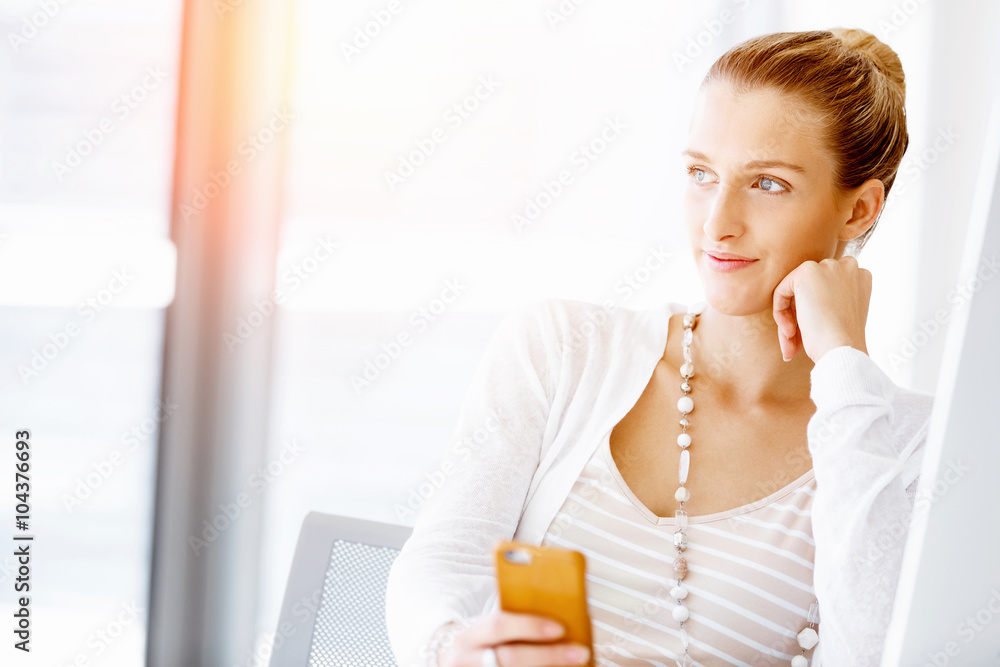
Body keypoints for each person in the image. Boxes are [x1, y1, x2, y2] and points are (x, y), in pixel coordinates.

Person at [385, 27, 934, 667]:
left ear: (860, 209)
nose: (716, 222)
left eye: (768, 184)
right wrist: (461, 652)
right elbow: (444, 560)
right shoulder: (563, 350)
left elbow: (876, 652)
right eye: (702, 173)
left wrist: (843, 362)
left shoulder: (908, 447)